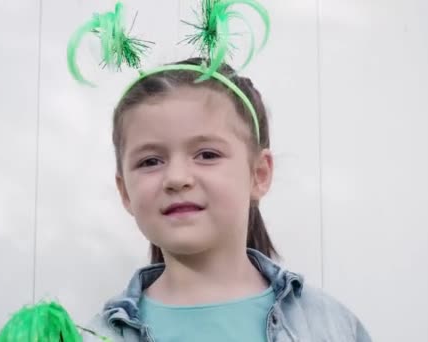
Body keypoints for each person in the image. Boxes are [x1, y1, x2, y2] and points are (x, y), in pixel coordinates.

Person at [80, 57, 372, 342]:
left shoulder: (328, 326)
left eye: (207, 155)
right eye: (150, 161)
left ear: (258, 174)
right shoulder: (98, 336)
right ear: (125, 192)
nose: (177, 178)